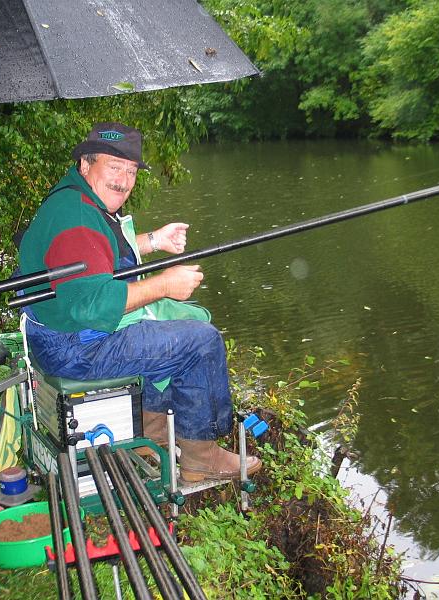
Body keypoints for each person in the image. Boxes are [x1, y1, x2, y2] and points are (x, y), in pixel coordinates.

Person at [19, 122, 261, 481]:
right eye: (113, 167)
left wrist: (152, 240)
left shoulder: (76, 199)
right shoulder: (79, 217)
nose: (123, 180)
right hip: (76, 347)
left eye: (130, 170)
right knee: (201, 340)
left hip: (60, 333)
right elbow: (93, 306)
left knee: (165, 330)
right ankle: (200, 457)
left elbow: (101, 256)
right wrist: (163, 284)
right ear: (85, 165)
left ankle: (151, 433)